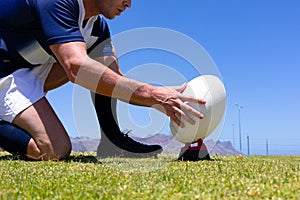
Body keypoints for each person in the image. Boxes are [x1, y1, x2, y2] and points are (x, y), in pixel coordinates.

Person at [0, 0, 206, 161]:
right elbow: (75, 67)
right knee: (54, 149)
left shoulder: (98, 28)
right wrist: (153, 95)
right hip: (5, 70)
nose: (129, 4)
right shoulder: (58, 2)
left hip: (30, 67)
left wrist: (158, 100)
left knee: (103, 58)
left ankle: (111, 141)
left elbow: (114, 80)